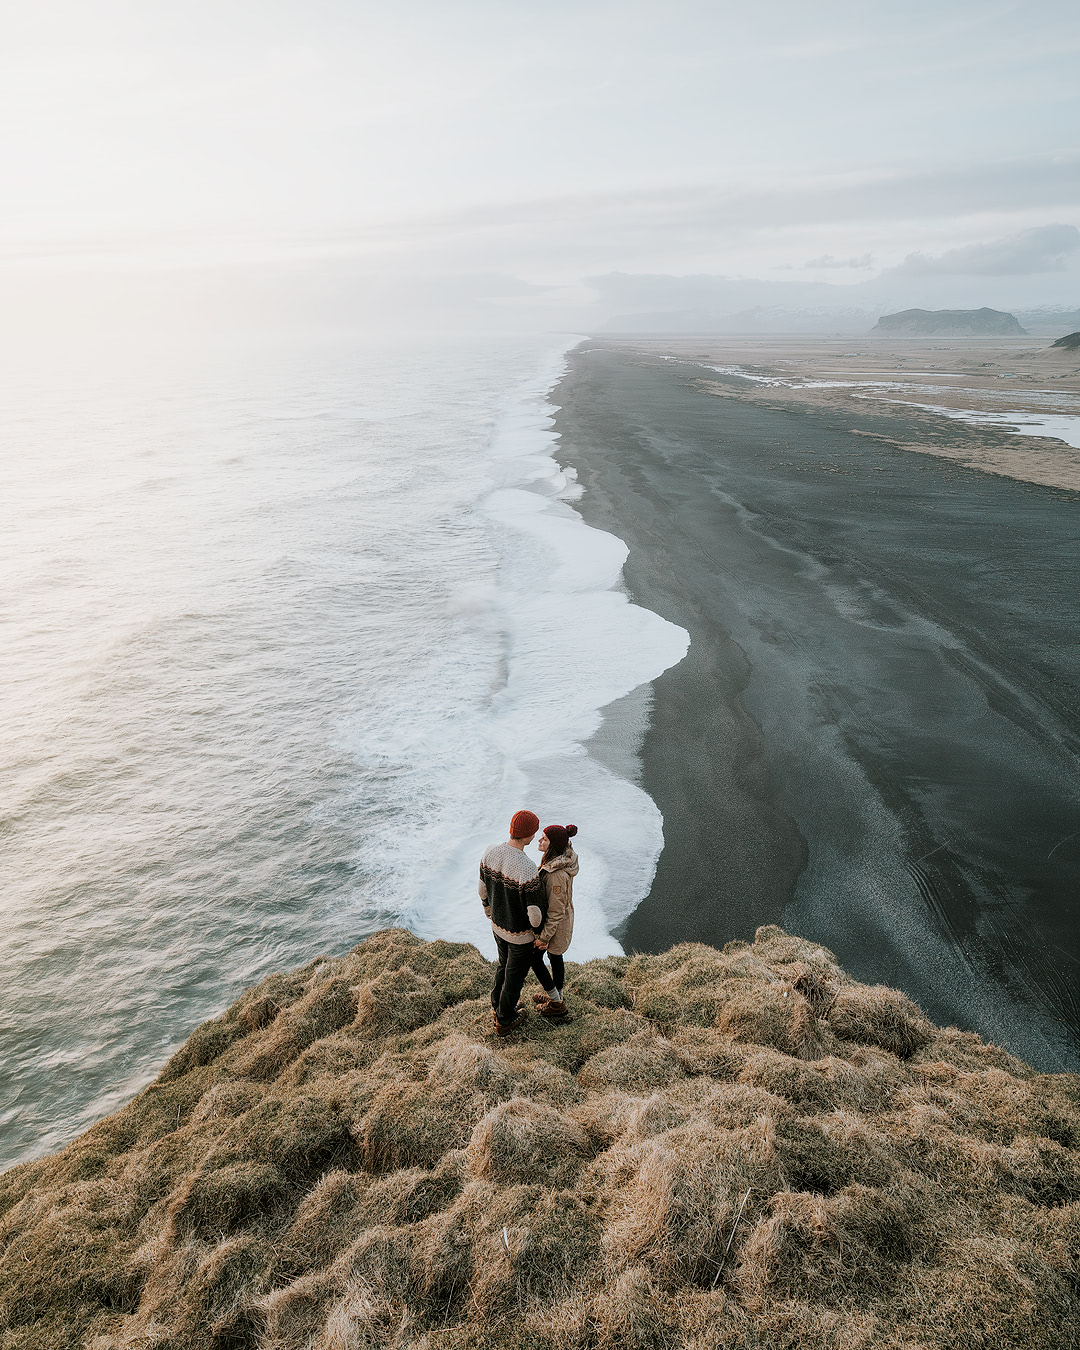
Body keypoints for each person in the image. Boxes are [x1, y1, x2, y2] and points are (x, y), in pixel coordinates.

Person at [479, 810, 546, 1034]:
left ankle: (497, 1006)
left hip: (497, 925)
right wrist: (538, 933)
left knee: (502, 965)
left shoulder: (490, 852)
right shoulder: (526, 867)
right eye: (534, 832)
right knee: (514, 976)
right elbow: (534, 913)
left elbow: (481, 889)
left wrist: (488, 910)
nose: (535, 836)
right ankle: (505, 1020)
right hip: (520, 935)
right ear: (527, 834)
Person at [529, 824, 579, 1021]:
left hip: (556, 926)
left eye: (544, 839)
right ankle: (557, 996)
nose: (539, 841)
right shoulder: (555, 862)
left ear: (553, 846)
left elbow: (556, 910)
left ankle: (556, 1003)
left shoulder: (556, 874)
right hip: (558, 923)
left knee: (536, 958)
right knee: (555, 958)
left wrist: (544, 937)